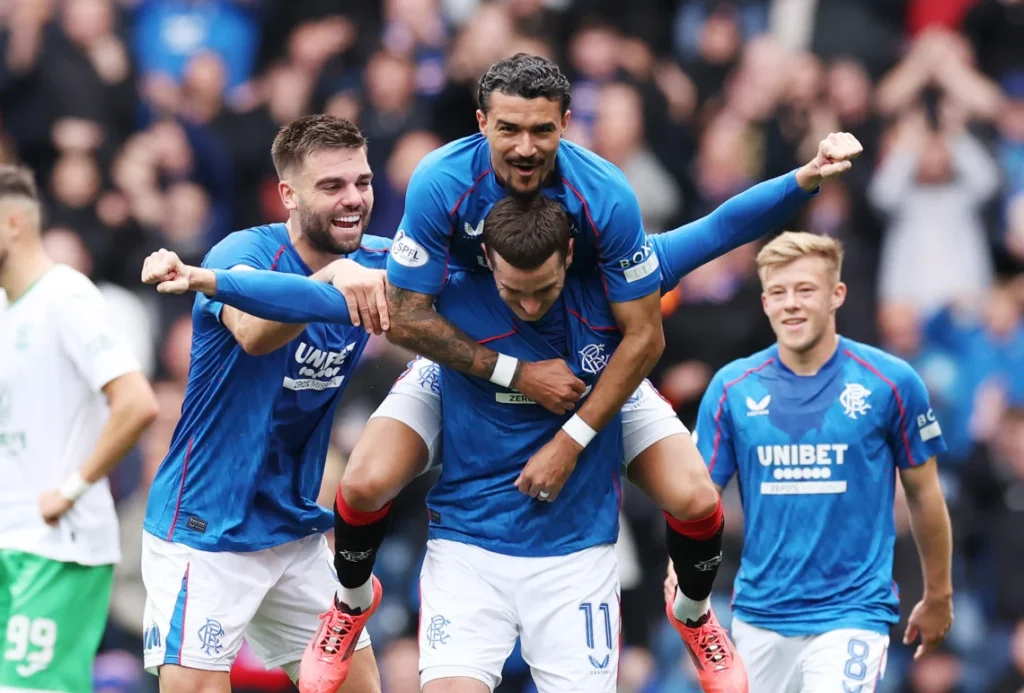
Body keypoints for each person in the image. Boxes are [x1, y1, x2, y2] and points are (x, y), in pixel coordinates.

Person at [163, 132, 862, 693]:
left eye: (543, 291)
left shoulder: (617, 274)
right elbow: (313, 299)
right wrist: (206, 279)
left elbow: (721, 228)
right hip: (457, 380)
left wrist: (804, 178)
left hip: (599, 389)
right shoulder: (456, 282)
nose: (527, 304)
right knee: (364, 480)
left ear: (569, 257)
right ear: (487, 263)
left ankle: (695, 613)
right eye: (512, 290)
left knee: (696, 496)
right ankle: (349, 603)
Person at [137, 114, 389, 693]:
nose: (353, 199)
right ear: (288, 195)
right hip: (206, 525)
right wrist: (331, 280)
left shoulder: (377, 262)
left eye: (363, 182)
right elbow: (253, 333)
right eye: (332, 186)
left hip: (293, 526)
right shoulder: (244, 251)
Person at [668, 231, 954, 692]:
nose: (792, 304)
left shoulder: (891, 382)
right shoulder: (731, 388)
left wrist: (939, 594)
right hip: (759, 616)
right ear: (765, 302)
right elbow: (699, 500)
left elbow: (925, 495)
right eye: (779, 292)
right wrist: (679, 573)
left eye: (805, 290)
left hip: (853, 612)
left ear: (836, 295)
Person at [0, 163, 158, 693]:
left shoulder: (66, 295)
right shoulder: (5, 310)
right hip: (9, 538)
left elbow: (136, 403)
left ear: (14, 223)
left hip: (58, 545)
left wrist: (71, 488)